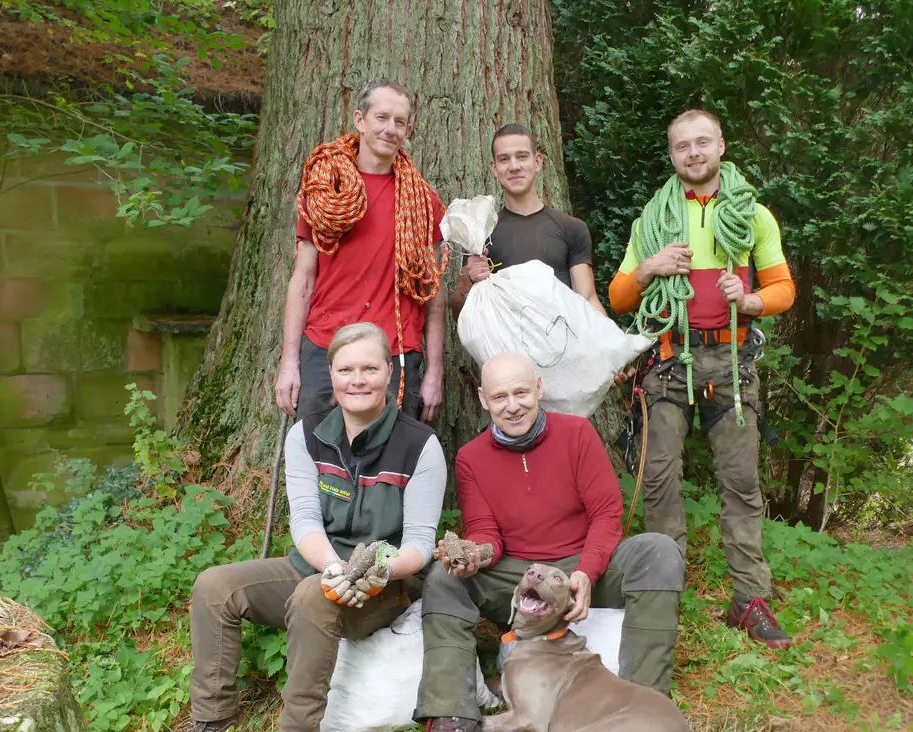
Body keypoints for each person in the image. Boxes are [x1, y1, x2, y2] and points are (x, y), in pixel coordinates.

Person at [162, 323, 446, 732]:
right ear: (331, 375)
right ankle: (212, 724)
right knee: (215, 586)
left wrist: (374, 571)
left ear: (391, 374)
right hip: (321, 564)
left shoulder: (420, 446)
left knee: (316, 595)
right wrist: (336, 567)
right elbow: (307, 524)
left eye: (370, 368)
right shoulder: (306, 436)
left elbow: (420, 544)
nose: (358, 379)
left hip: (385, 582)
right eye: (346, 369)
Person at [391, 352, 685, 732]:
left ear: (539, 389)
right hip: (519, 571)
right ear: (482, 400)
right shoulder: (472, 458)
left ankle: (642, 704)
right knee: (443, 580)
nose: (512, 405)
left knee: (658, 551)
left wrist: (586, 572)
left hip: (581, 563)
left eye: (521, 392)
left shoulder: (577, 434)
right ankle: (455, 724)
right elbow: (488, 534)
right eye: (500, 396)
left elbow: (607, 512)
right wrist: (475, 556)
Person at [607, 109, 797, 651]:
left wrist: (753, 299)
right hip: (669, 362)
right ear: (672, 155)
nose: (693, 153)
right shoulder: (653, 220)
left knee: (740, 483)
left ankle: (749, 600)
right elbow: (621, 296)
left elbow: (784, 287)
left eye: (702, 143)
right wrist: (649, 268)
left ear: (721, 146)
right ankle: (662, 595)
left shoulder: (753, 215)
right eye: (682, 146)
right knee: (661, 479)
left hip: (732, 363)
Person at [276, 79, 449, 424]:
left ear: (408, 129)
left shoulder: (422, 202)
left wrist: (435, 373)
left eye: (399, 122)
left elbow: (433, 292)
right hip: (326, 349)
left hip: (395, 354)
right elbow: (303, 280)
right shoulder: (326, 194)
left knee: (388, 465)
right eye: (381, 117)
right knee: (317, 458)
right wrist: (288, 362)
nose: (390, 129)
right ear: (360, 119)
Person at [450, 124, 601, 315]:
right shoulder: (480, 235)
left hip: (562, 343)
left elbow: (587, 300)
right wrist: (469, 281)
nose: (514, 166)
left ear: (537, 161)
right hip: (505, 344)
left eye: (522, 156)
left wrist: (613, 340)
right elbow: (458, 312)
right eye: (504, 159)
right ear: (494, 168)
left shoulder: (571, 228)